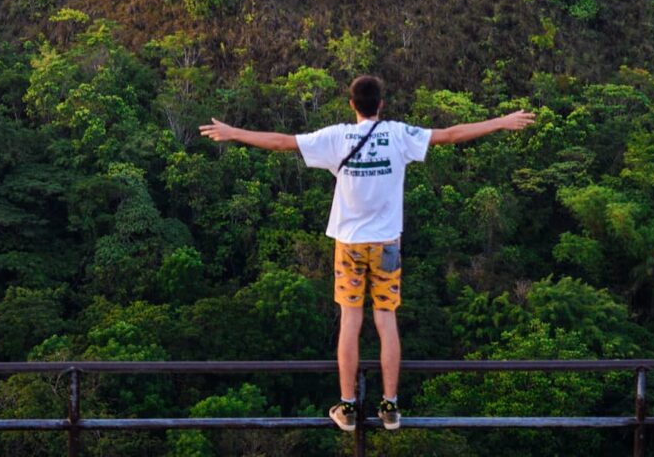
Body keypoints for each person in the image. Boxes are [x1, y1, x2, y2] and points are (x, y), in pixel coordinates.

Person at [200, 74, 536, 431]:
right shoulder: (398, 135)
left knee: (350, 320)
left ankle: (347, 408)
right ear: (381, 104)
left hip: (348, 244)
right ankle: (389, 406)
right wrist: (501, 122)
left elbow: (282, 142)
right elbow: (451, 134)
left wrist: (233, 132)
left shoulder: (336, 138)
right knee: (386, 321)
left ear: (351, 104)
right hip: (387, 243)